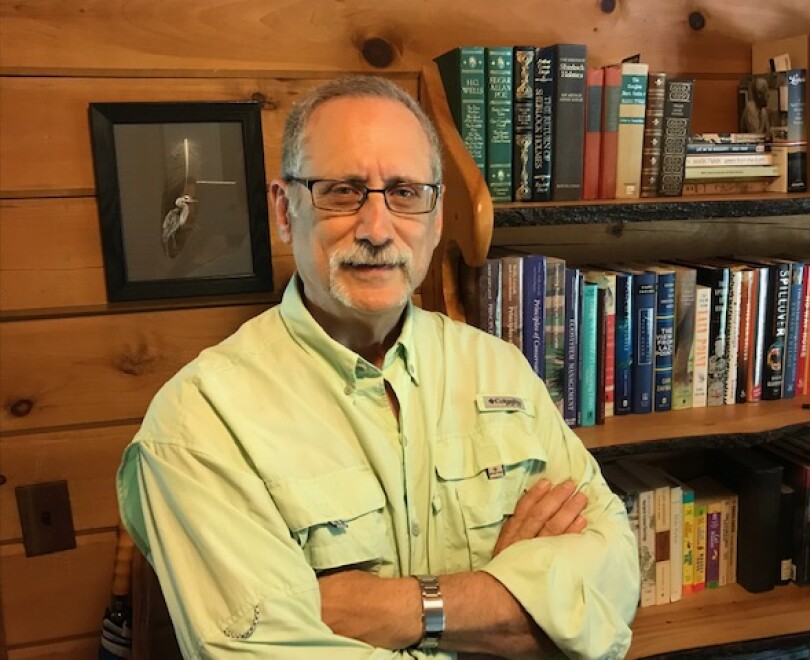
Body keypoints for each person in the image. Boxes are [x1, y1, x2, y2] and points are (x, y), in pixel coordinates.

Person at [117, 75, 639, 659]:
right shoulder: (199, 425)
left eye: (406, 192)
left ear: (437, 217)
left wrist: (400, 609)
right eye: (341, 191)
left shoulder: (500, 370)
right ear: (284, 210)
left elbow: (613, 587)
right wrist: (515, 611)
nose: (376, 228)